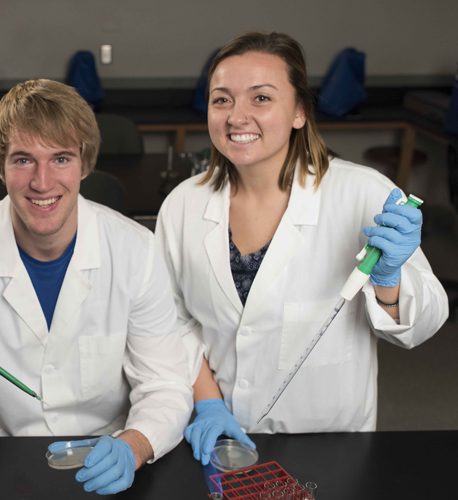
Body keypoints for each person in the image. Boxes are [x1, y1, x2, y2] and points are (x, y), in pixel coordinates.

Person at [156, 31, 449, 465]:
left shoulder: (361, 193)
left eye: (261, 98)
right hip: (220, 438)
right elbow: (171, 318)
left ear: (299, 112)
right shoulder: (184, 203)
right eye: (222, 100)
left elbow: (423, 325)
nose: (237, 116)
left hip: (327, 443)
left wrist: (389, 281)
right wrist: (209, 403)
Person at [0, 79, 193, 495]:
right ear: (0, 167)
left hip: (104, 456)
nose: (42, 182)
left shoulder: (137, 251)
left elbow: (166, 385)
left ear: (85, 163)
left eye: (61, 158)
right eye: (23, 160)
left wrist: (133, 446)